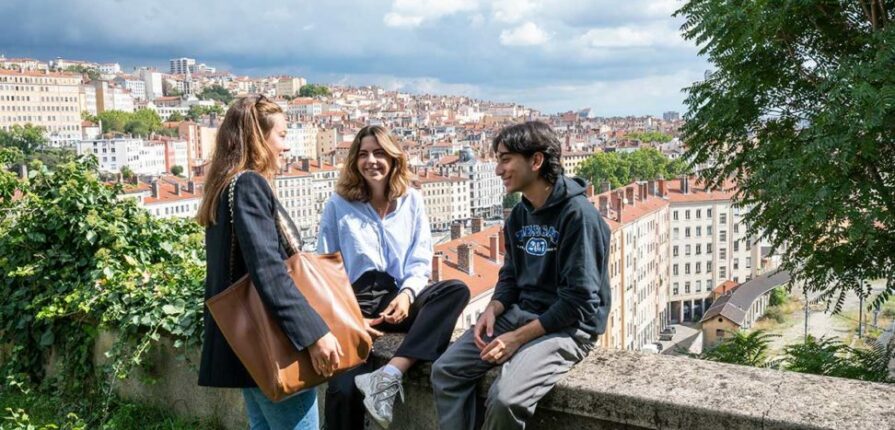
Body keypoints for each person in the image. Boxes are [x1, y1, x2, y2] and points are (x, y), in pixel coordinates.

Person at [430, 121, 612, 430]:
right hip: (519, 314)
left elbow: (579, 302)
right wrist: (494, 308)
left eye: (505, 159)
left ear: (536, 161)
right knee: (445, 370)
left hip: (567, 328)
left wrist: (516, 338)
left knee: (506, 398)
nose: (498, 169)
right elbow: (511, 275)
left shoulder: (578, 216)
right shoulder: (519, 214)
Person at [197, 95, 341, 430]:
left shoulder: (223, 187)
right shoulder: (248, 184)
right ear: (258, 139)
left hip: (247, 342)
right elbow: (269, 271)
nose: (286, 147)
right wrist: (314, 335)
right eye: (282, 135)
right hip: (274, 342)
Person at [317, 125, 470, 429]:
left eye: (379, 153)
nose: (371, 160)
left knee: (455, 290)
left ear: (393, 158)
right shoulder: (338, 205)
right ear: (353, 162)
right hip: (353, 306)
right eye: (363, 154)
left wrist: (408, 294)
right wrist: (347, 319)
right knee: (344, 391)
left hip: (396, 299)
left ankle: (389, 375)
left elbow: (420, 258)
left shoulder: (411, 201)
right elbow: (324, 268)